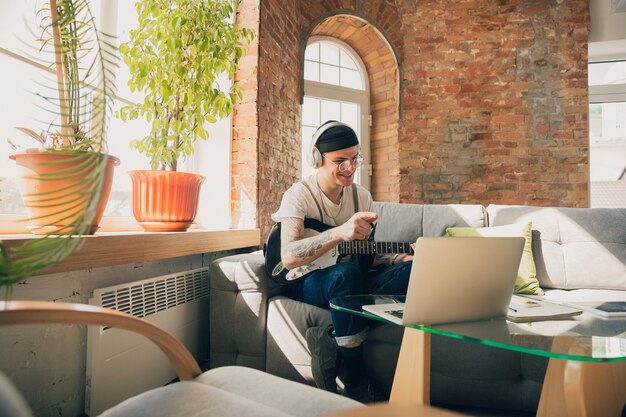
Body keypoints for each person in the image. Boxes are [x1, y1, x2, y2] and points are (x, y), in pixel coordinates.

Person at [270, 120, 413, 402]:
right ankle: (356, 379)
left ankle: (332, 332)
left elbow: (364, 254)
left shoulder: (362, 197)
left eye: (355, 158)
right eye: (340, 161)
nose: (350, 167)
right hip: (304, 280)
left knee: (414, 271)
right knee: (345, 274)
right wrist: (339, 233)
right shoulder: (298, 196)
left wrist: (399, 257)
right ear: (317, 159)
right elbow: (287, 257)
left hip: (348, 279)